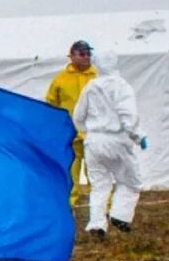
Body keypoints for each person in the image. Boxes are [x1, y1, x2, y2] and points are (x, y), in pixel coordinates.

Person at [71, 48, 144, 239]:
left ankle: (96, 223)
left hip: (93, 142)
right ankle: (120, 215)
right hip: (117, 140)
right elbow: (128, 115)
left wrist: (88, 131)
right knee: (130, 181)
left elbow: (78, 115)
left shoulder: (90, 87)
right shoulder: (122, 86)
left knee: (99, 185)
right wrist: (137, 136)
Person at [45, 39, 99, 206]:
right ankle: (69, 203)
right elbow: (51, 105)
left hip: (94, 133)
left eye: (88, 54)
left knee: (97, 173)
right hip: (71, 135)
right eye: (82, 54)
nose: (86, 57)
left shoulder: (98, 77)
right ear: (71, 56)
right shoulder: (60, 80)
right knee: (70, 173)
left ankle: (102, 205)